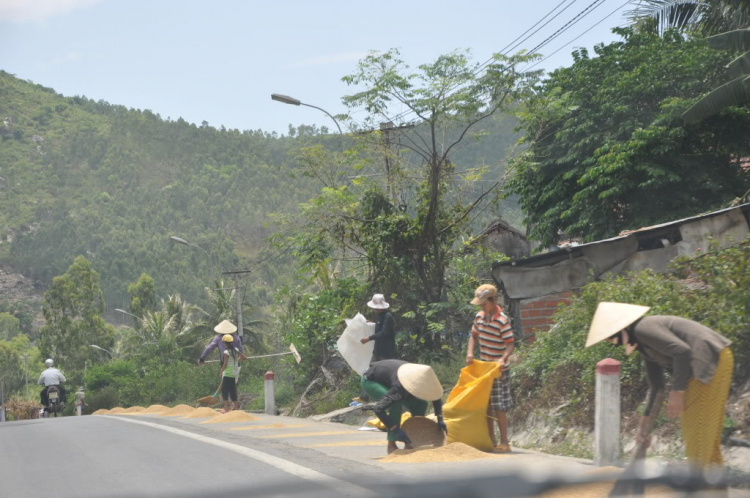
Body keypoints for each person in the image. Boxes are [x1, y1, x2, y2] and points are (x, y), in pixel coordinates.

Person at [585, 302, 733, 471]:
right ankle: (713, 488)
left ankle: (700, 486)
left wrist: (677, 392)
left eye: (610, 336)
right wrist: (645, 423)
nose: (611, 342)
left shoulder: (643, 328)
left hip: (710, 360)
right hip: (707, 365)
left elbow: (681, 351)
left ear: (622, 328)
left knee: (698, 435)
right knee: (701, 436)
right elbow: (657, 388)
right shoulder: (643, 344)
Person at [466, 283, 515, 453]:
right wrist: (470, 353)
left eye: (484, 304)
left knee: (498, 406)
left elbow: (510, 344)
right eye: (480, 304)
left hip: (499, 370)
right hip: (484, 369)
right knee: (486, 406)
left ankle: (505, 442)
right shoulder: (479, 317)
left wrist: (503, 358)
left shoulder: (502, 320)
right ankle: (491, 440)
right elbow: (473, 336)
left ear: (494, 300)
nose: (482, 307)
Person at [361, 359, 447, 455]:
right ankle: (391, 444)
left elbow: (435, 396)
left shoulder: (427, 377)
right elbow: (378, 409)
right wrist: (396, 430)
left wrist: (440, 417)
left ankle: (412, 441)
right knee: (395, 404)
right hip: (371, 380)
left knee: (421, 403)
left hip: (391, 379)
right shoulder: (400, 386)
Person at [360, 294, 397, 363]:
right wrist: (371, 322)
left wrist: (369, 338)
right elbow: (379, 326)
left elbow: (384, 332)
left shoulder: (388, 316)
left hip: (386, 353)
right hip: (377, 351)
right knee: (371, 371)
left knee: (383, 371)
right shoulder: (379, 315)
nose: (375, 309)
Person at [220, 334, 247, 412]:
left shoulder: (226, 352)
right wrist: (237, 360)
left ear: (225, 343)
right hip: (233, 374)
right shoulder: (235, 350)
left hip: (227, 373)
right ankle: (236, 409)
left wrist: (221, 371)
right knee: (233, 391)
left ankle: (226, 409)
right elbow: (244, 357)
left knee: (225, 392)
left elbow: (225, 364)